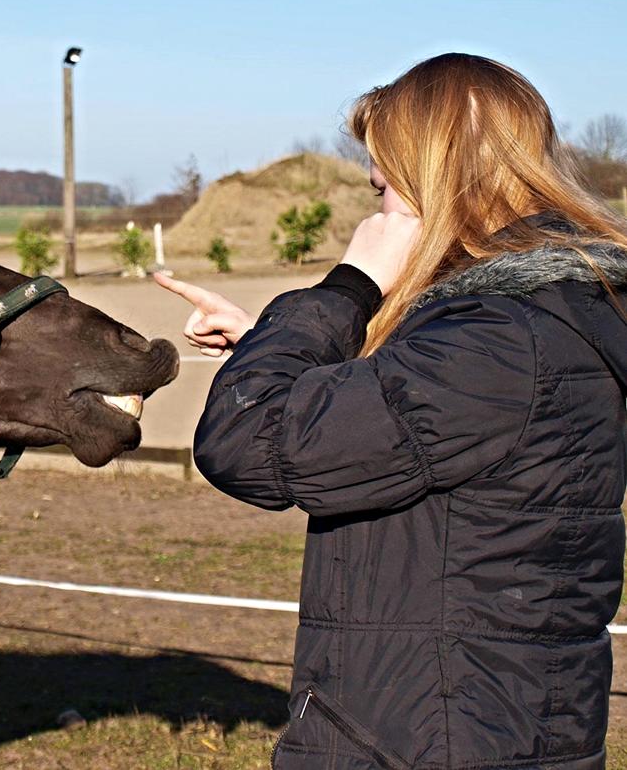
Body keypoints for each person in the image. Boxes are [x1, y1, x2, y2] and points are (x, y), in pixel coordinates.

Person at [156, 52, 627, 769]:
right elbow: (407, 423)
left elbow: (249, 446)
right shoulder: (548, 316)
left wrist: (348, 287)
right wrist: (264, 345)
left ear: (432, 181)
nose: (374, 205)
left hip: (424, 737)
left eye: (384, 186)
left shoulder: (497, 340)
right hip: (489, 725)